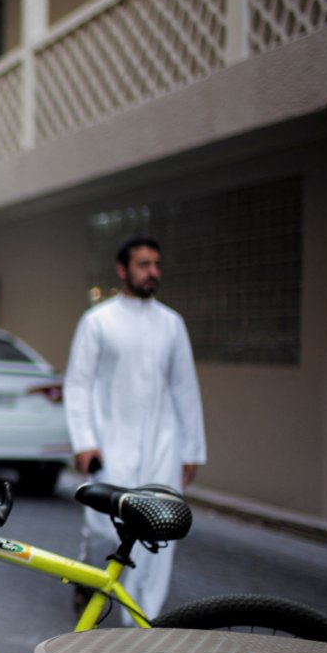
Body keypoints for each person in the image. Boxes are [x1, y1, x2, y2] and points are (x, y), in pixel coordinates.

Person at [63, 235, 205, 623]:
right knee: (106, 527)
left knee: (159, 531)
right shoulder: (98, 322)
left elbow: (184, 387)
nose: (153, 272)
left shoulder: (172, 324)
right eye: (144, 264)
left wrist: (192, 449)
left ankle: (141, 622)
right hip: (111, 443)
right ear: (123, 270)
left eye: (156, 264)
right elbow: (78, 384)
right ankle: (88, 576)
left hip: (163, 445)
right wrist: (85, 442)